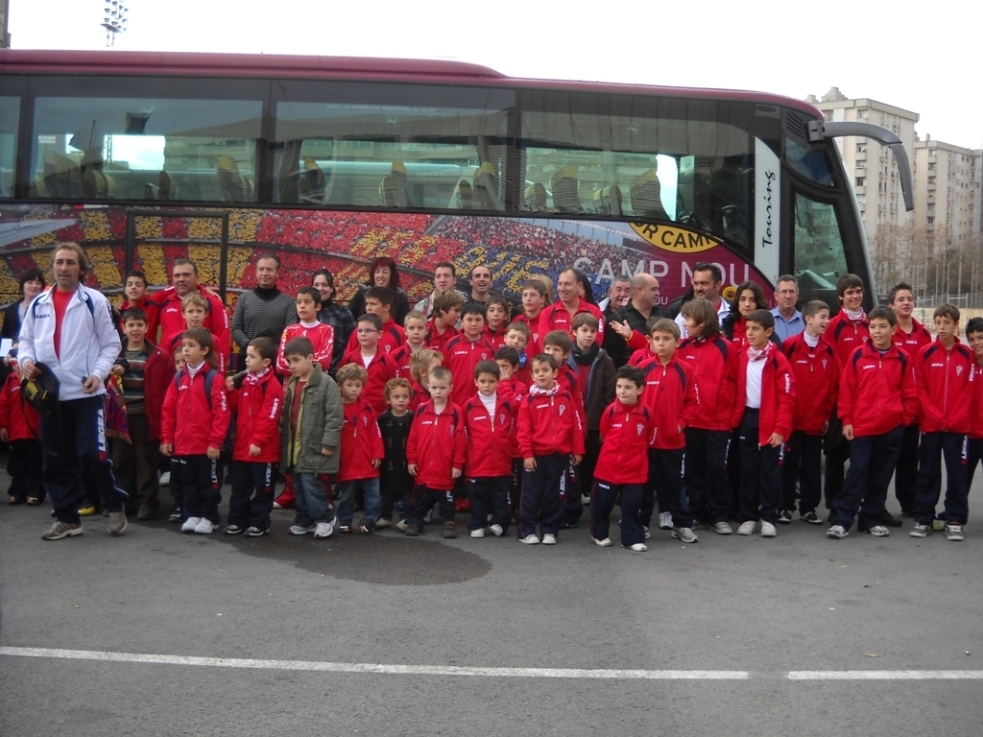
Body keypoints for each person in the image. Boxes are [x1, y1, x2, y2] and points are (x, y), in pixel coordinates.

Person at [18, 243, 129, 540]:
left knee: (94, 455)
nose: (63, 267)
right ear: (52, 267)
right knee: (55, 458)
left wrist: (98, 374)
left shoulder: (94, 301)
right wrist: (26, 361)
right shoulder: (38, 303)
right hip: (50, 396)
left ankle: (114, 502)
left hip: (86, 393)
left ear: (81, 268)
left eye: (70, 262)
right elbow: (25, 341)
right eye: (59, 262)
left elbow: (112, 344)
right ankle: (68, 518)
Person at [827, 306, 916, 539]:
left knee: (881, 476)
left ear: (893, 329)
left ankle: (871, 519)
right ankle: (843, 519)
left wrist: (902, 421)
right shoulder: (858, 355)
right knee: (857, 472)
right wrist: (847, 420)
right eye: (873, 326)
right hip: (862, 429)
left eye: (882, 326)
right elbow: (846, 392)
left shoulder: (903, 359)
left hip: (891, 429)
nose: (876, 331)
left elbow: (909, 394)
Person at [910, 304, 974, 542]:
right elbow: (920, 389)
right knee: (927, 471)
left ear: (956, 325)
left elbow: (969, 390)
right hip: (931, 426)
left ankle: (955, 519)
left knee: (957, 473)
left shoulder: (967, 355)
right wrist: (935, 416)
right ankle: (924, 517)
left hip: (958, 428)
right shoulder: (925, 353)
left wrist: (954, 418)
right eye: (938, 322)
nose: (942, 327)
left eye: (947, 322)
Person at [160, 327, 231, 535]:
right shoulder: (178, 378)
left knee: (209, 483)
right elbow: (168, 410)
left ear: (205, 350)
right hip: (183, 445)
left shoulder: (213, 379)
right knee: (188, 482)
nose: (186, 350)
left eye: (191, 346)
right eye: (184, 346)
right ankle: (192, 514)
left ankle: (210, 517)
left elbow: (221, 413)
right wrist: (167, 437)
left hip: (206, 447)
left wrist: (215, 442)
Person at [676, 299, 739, 534]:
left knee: (716, 469)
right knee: (694, 469)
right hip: (691, 422)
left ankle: (718, 515)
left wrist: (733, 418)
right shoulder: (682, 348)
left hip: (718, 423)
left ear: (702, 322)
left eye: (688, 319)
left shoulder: (726, 348)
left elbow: (738, 383)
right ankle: (697, 513)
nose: (684, 322)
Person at [732, 310, 795, 538]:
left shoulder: (778, 361)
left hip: (770, 420)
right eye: (748, 328)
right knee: (748, 470)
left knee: (770, 471)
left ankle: (769, 516)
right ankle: (749, 515)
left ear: (769, 332)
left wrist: (780, 429)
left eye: (755, 329)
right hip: (748, 419)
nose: (750, 333)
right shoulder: (742, 355)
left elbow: (787, 398)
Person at [637, 318, 699, 543]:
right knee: (644, 485)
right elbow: (633, 402)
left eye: (666, 339)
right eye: (657, 339)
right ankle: (642, 523)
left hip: (674, 442)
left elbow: (693, 403)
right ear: (650, 341)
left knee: (675, 484)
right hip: (646, 442)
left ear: (677, 342)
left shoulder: (686, 370)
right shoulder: (642, 368)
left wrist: (680, 424)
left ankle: (681, 524)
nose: (661, 344)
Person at [111, 307, 174, 520]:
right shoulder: (113, 354)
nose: (135, 329)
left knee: (146, 459)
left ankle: (147, 502)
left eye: (139, 325)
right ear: (124, 327)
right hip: (120, 417)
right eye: (131, 325)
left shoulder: (160, 356)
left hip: (144, 415)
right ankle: (125, 501)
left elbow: (167, 391)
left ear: (147, 327)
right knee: (121, 460)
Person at [515, 353, 584, 545]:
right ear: (531, 375)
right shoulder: (528, 400)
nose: (541, 375)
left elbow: (575, 425)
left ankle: (549, 530)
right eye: (536, 371)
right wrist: (527, 453)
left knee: (555, 494)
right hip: (535, 456)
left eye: (545, 370)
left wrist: (577, 450)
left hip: (559, 456)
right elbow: (523, 430)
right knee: (531, 494)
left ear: (555, 373)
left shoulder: (566, 397)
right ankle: (526, 530)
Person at [780, 300, 838, 525]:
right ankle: (785, 507)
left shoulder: (830, 350)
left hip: (815, 422)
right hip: (793, 421)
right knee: (789, 465)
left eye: (827, 317)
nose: (826, 321)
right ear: (809, 319)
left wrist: (826, 416)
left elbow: (832, 387)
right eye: (822, 316)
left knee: (812, 467)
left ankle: (809, 507)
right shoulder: (790, 346)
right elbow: (783, 382)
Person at [280, 336, 343, 539]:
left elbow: (334, 415)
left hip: (314, 445)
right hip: (295, 447)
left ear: (310, 358)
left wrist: (328, 441)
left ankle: (325, 518)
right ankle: (304, 520)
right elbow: (287, 413)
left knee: (312, 485)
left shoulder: (326, 383)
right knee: (298, 485)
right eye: (289, 361)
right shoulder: (292, 383)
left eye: (296, 360)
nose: (292, 365)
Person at [589, 365, 654, 551]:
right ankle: (599, 534)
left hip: (634, 471)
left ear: (640, 389)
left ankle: (632, 538)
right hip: (607, 470)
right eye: (619, 387)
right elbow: (605, 432)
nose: (622, 391)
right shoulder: (610, 411)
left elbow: (648, 438)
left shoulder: (646, 414)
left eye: (627, 387)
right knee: (601, 506)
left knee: (632, 508)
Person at [224, 336, 283, 536]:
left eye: (252, 356)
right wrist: (231, 392)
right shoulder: (247, 381)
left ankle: (259, 522)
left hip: (262, 450)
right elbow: (237, 408)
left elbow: (270, 417)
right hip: (242, 448)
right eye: (247, 356)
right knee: (240, 488)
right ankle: (237, 520)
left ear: (266, 362)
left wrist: (258, 441)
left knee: (263, 489)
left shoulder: (272, 386)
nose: (246, 360)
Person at [822, 274, 870, 517]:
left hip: (866, 402)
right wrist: (849, 385)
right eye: (850, 292)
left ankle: (858, 500)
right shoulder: (833, 325)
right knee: (834, 455)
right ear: (841, 297)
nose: (855, 296)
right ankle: (832, 502)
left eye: (858, 291)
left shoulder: (870, 324)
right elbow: (834, 362)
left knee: (860, 457)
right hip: (840, 399)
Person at [404, 366, 466, 538]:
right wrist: (411, 459)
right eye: (435, 387)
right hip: (423, 468)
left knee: (447, 501)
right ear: (428, 387)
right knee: (420, 500)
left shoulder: (456, 412)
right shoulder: (422, 410)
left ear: (450, 388)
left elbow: (461, 441)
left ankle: (448, 523)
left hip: (444, 469)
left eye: (442, 387)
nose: (438, 391)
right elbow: (413, 438)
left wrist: (457, 464)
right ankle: (416, 521)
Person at [887, 282, 932, 518]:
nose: (907, 302)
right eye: (901, 299)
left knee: (909, 459)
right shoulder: (886, 332)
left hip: (914, 410)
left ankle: (908, 503)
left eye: (910, 299)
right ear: (891, 305)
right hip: (890, 409)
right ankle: (875, 505)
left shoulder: (923, 334)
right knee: (884, 462)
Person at [463, 360, 517, 538]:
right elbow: (464, 434)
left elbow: (510, 429)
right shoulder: (468, 406)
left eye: (491, 381)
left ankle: (500, 523)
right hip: (478, 462)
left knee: (500, 496)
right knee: (477, 496)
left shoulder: (505, 404)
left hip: (501, 462)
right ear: (475, 382)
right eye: (483, 381)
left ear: (498, 382)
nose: (487, 385)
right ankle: (477, 523)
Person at [568, 313, 616, 514]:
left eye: (593, 331)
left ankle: (591, 497)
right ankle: (573, 498)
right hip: (572, 424)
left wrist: (603, 420)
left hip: (595, 423)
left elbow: (611, 394)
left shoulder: (604, 360)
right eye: (584, 330)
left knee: (592, 462)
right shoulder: (565, 358)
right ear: (574, 332)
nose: (589, 335)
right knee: (574, 464)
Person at [334, 363, 385, 535]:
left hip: (367, 458)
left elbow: (375, 432)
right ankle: (345, 520)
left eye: (358, 385)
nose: (354, 389)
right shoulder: (337, 408)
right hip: (347, 460)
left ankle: (370, 519)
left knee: (373, 494)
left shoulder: (367, 407)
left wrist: (377, 453)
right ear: (340, 386)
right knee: (347, 495)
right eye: (350, 385)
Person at [153, 258, 230, 370]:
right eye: (177, 276)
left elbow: (222, 343)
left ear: (197, 277)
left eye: (186, 275)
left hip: (201, 372)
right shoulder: (164, 301)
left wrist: (218, 376)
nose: (181, 279)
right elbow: (141, 299)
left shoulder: (213, 303)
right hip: (169, 372)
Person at [231, 253, 296, 355]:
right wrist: (250, 347)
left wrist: (271, 350)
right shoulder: (244, 299)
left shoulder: (289, 303)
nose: (264, 273)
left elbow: (290, 333)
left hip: (275, 360)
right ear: (256, 272)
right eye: (261, 269)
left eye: (269, 269)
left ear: (277, 273)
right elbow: (236, 328)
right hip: (247, 359)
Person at [0, 356, 42, 505]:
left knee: (34, 463)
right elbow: (3, 403)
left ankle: (33, 492)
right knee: (16, 463)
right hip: (16, 429)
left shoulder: (38, 378)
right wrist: (3, 425)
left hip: (35, 430)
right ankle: (17, 492)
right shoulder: (11, 379)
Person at [340, 313, 400, 415]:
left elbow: (395, 388)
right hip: (352, 414)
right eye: (360, 331)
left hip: (379, 414)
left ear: (379, 334)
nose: (363, 334)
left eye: (368, 330)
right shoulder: (348, 359)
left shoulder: (388, 361)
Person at [607, 274, 668, 367]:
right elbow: (611, 361)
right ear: (640, 290)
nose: (658, 293)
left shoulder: (665, 316)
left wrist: (631, 337)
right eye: (654, 289)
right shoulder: (617, 319)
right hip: (629, 379)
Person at [377, 378, 414, 530]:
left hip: (407, 462)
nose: (401, 400)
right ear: (388, 399)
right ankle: (385, 517)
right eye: (396, 397)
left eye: (404, 397)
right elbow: (377, 439)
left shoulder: (413, 418)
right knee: (386, 493)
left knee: (407, 493)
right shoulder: (383, 419)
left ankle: (406, 518)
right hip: (388, 462)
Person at [443, 302, 495, 409]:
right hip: (453, 402)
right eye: (469, 319)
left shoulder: (489, 348)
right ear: (462, 322)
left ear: (484, 323)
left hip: (480, 405)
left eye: (478, 320)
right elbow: (443, 372)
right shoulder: (450, 344)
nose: (474, 324)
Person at [538, 268, 605, 347]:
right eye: (560, 284)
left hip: (584, 359)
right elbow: (545, 344)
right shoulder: (547, 313)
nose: (562, 289)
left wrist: (561, 343)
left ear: (579, 286)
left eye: (567, 284)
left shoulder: (595, 312)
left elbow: (596, 342)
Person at [276, 287, 333, 375]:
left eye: (307, 302)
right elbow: (280, 365)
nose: (302, 306)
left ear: (317, 306)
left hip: (316, 386)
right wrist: (308, 367)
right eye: (299, 302)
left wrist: (294, 364)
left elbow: (324, 361)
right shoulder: (289, 330)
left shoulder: (327, 330)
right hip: (292, 386)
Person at [1, 269, 46, 383]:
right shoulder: (12, 310)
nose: (34, 286)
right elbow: (6, 336)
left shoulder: (46, 308)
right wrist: (4, 357)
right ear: (23, 285)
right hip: (14, 362)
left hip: (38, 362)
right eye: (30, 282)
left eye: (38, 283)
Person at [312, 269, 355, 373]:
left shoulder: (342, 312)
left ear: (331, 288)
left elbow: (354, 342)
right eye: (316, 285)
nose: (320, 288)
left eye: (324, 285)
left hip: (336, 370)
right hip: (308, 369)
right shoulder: (305, 312)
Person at [343, 287, 406, 356]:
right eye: (367, 304)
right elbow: (348, 361)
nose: (368, 308)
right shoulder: (358, 332)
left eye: (373, 304)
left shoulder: (400, 333)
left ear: (386, 307)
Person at [673, 263, 731, 338]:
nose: (699, 288)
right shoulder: (683, 316)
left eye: (704, 283)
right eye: (696, 284)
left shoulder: (732, 313)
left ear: (718, 285)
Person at [348, 256, 410, 326]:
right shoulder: (363, 291)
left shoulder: (400, 295)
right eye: (377, 272)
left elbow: (405, 323)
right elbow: (349, 316)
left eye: (385, 272)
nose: (380, 275)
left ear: (391, 275)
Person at [722, 280, 772, 349]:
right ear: (737, 301)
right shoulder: (727, 325)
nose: (747, 304)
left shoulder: (766, 326)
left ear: (758, 303)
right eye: (743, 299)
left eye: (752, 300)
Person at [965, 318, 983, 490]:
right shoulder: (966, 362)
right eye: (972, 339)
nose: (976, 343)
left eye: (980, 337)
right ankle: (955, 514)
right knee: (962, 479)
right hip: (968, 434)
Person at [117, 270, 160, 343]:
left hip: (149, 352)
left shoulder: (153, 305)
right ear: (125, 290)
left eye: (138, 285)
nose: (133, 287)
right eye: (130, 284)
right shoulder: (119, 311)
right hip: (126, 353)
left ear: (145, 291)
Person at [390, 310, 428, 380]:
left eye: (420, 328)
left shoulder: (432, 355)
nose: (416, 332)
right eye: (411, 328)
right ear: (405, 331)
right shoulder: (395, 355)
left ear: (426, 330)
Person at [425, 290, 462, 355]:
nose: (459, 315)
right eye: (456, 311)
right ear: (442, 309)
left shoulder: (458, 336)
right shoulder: (424, 332)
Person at [770, 274, 805, 341]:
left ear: (797, 295)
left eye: (791, 291)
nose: (788, 296)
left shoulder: (805, 321)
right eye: (784, 292)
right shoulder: (767, 319)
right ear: (776, 296)